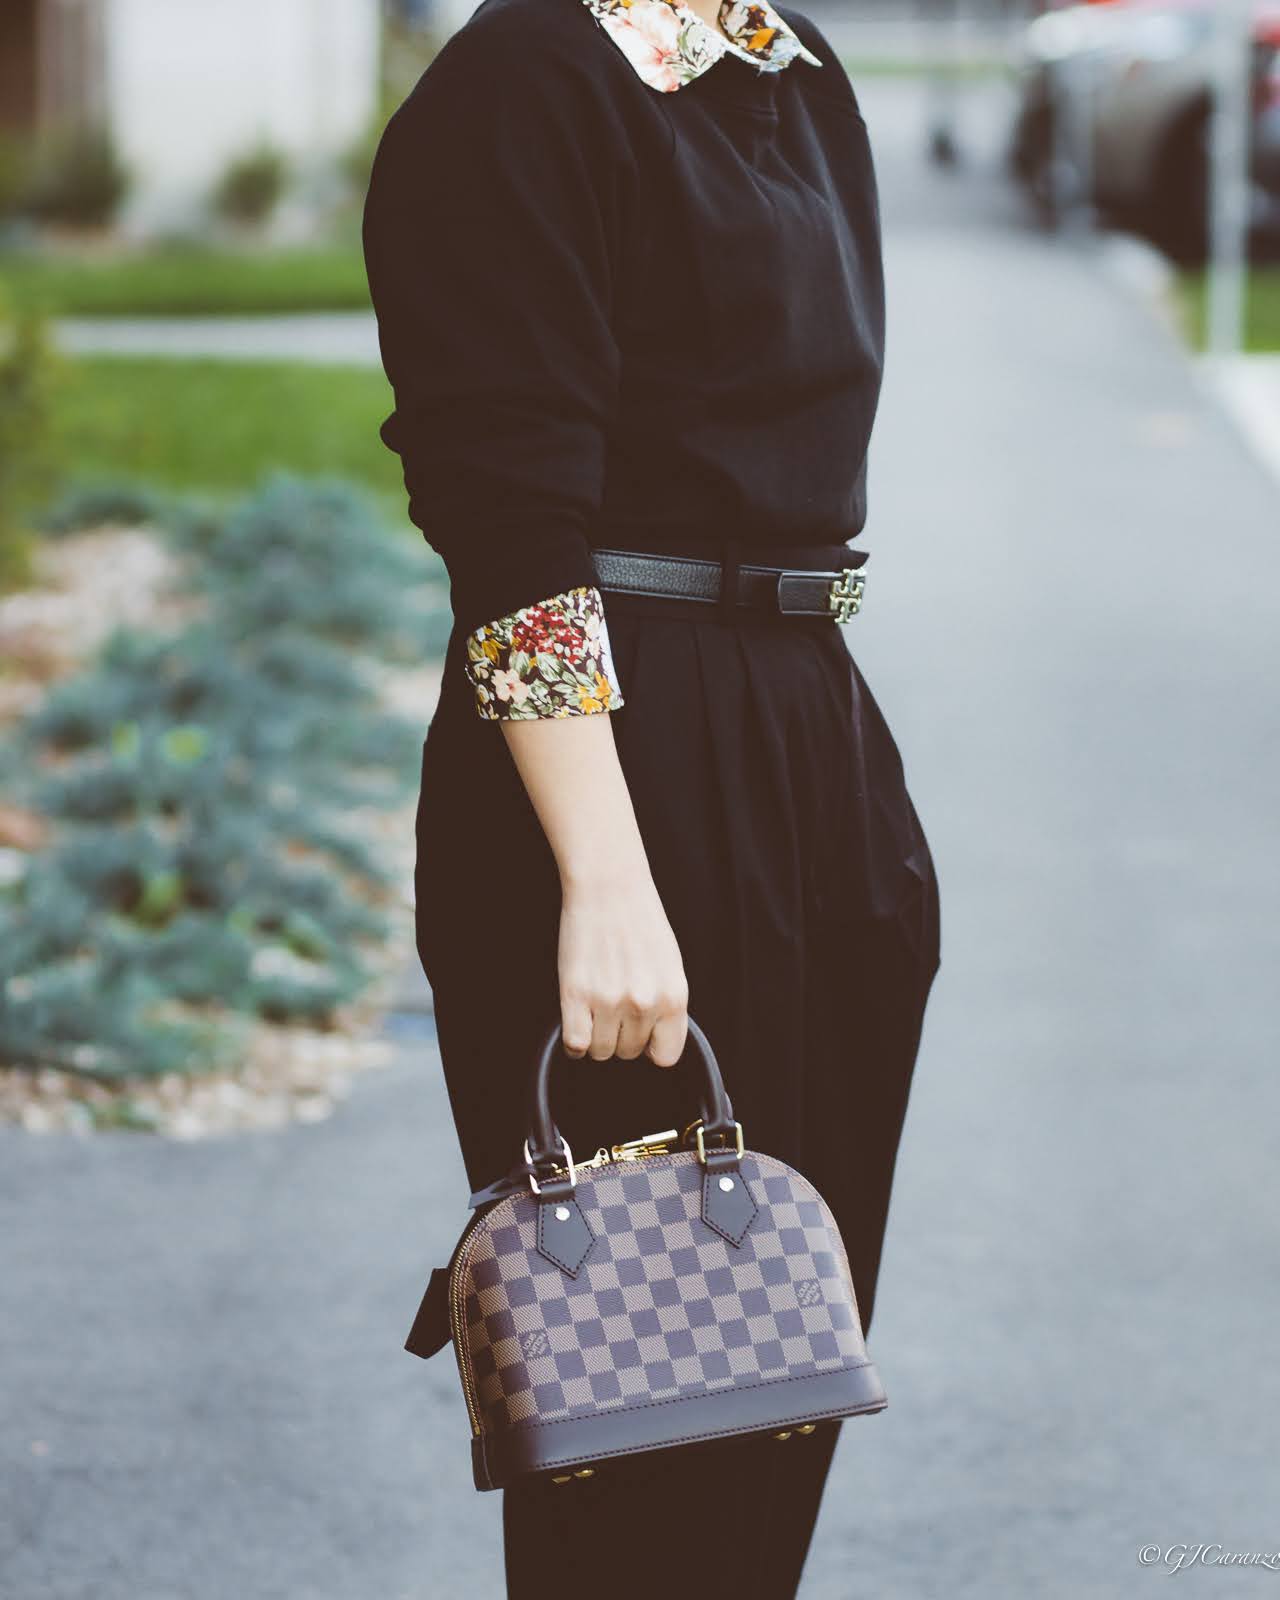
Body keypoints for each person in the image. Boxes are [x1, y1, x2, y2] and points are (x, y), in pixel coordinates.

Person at [361, 0, 942, 1590]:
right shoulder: (525, 87)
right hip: (620, 759)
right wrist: (604, 878)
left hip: (811, 725)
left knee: (783, 1378)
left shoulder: (786, 65)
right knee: (642, 1426)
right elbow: (512, 544)